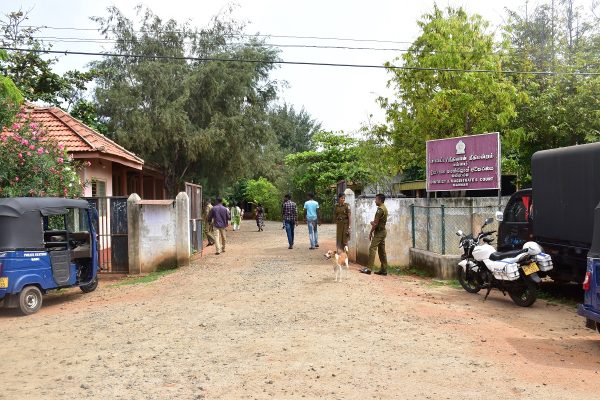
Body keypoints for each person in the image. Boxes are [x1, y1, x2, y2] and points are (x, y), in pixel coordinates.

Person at [360, 193, 389, 276]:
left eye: (376, 199)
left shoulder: (380, 210)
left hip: (379, 232)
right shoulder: (384, 208)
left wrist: (371, 231)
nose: (375, 201)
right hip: (382, 231)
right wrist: (374, 223)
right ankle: (384, 270)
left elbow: (375, 223)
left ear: (380, 200)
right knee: (382, 251)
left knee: (372, 248)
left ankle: (369, 269)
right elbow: (378, 222)